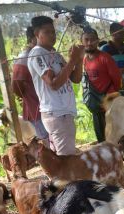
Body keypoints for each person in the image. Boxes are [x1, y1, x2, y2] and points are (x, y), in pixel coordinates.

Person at [27, 15, 84, 155]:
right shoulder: (37, 54)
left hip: (64, 111)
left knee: (61, 157)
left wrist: (79, 60)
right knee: (67, 158)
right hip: (56, 113)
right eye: (47, 32)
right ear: (37, 34)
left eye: (53, 32)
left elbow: (75, 78)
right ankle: (69, 178)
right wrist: (72, 60)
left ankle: (60, 177)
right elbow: (53, 84)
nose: (52, 35)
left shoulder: (54, 53)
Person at [81, 28, 122, 143]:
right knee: (100, 132)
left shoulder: (105, 58)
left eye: (92, 40)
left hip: (109, 100)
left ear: (98, 41)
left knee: (113, 130)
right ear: (82, 42)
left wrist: (111, 94)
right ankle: (104, 154)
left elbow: (117, 78)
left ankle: (117, 155)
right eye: (86, 40)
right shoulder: (84, 59)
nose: (89, 43)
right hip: (95, 101)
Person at [12, 26, 48, 142]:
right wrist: (29, 97)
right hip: (36, 108)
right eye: (44, 35)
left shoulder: (43, 53)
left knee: (54, 140)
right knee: (47, 141)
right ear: (33, 38)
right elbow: (16, 86)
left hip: (49, 106)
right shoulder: (24, 58)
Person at [100, 22, 124, 100]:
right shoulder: (104, 50)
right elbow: (101, 71)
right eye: (121, 33)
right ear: (112, 33)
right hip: (114, 89)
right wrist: (119, 71)